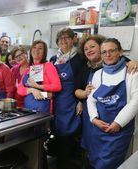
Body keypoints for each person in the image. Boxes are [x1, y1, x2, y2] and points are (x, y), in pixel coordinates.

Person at [75, 35, 138, 168]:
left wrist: (118, 123)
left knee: (109, 164)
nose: (108, 54)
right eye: (104, 52)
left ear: (120, 52)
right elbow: (92, 99)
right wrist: (94, 119)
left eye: (112, 50)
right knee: (94, 160)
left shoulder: (132, 71)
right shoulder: (98, 74)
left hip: (119, 130)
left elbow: (137, 100)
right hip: (98, 128)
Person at [49, 28, 86, 169]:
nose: (63, 41)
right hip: (56, 103)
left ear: (73, 40)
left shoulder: (79, 58)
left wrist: (81, 101)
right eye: (60, 39)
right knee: (57, 137)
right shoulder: (53, 59)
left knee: (68, 139)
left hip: (71, 103)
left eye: (67, 38)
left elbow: (84, 80)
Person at [18, 40, 61, 112]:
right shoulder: (28, 69)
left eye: (40, 48)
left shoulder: (48, 66)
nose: (36, 50)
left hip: (42, 109)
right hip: (27, 109)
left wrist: (38, 87)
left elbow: (57, 86)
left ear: (44, 52)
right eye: (34, 47)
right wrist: (32, 90)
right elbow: (19, 90)